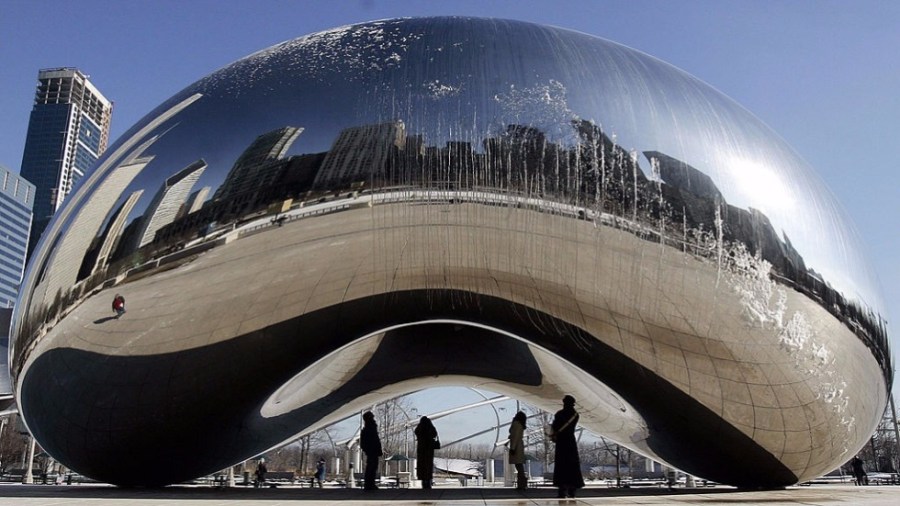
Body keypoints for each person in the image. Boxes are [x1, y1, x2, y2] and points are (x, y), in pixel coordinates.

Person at [551, 395, 584, 498]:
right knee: (572, 465)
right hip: (570, 441)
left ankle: (562, 489)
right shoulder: (575, 415)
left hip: (561, 441)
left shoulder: (559, 414)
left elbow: (555, 427)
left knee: (561, 465)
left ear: (564, 403)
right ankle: (572, 489)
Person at [414, 415, 439, 489]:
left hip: (421, 449)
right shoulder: (431, 427)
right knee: (428, 465)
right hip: (429, 448)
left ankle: (423, 481)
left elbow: (416, 432)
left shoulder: (419, 428)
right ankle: (428, 481)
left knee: (422, 465)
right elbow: (435, 434)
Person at [360, 411, 383, 490]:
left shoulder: (367, 429)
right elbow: (375, 440)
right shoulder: (371, 428)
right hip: (373, 450)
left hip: (371, 450)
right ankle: (370, 484)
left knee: (371, 467)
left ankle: (369, 484)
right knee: (372, 467)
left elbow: (363, 443)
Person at [508, 411, 528, 490]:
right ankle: (522, 483)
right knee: (519, 466)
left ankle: (521, 484)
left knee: (519, 466)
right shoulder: (521, 425)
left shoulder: (516, 424)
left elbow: (514, 436)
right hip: (519, 446)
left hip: (516, 447)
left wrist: (512, 448)